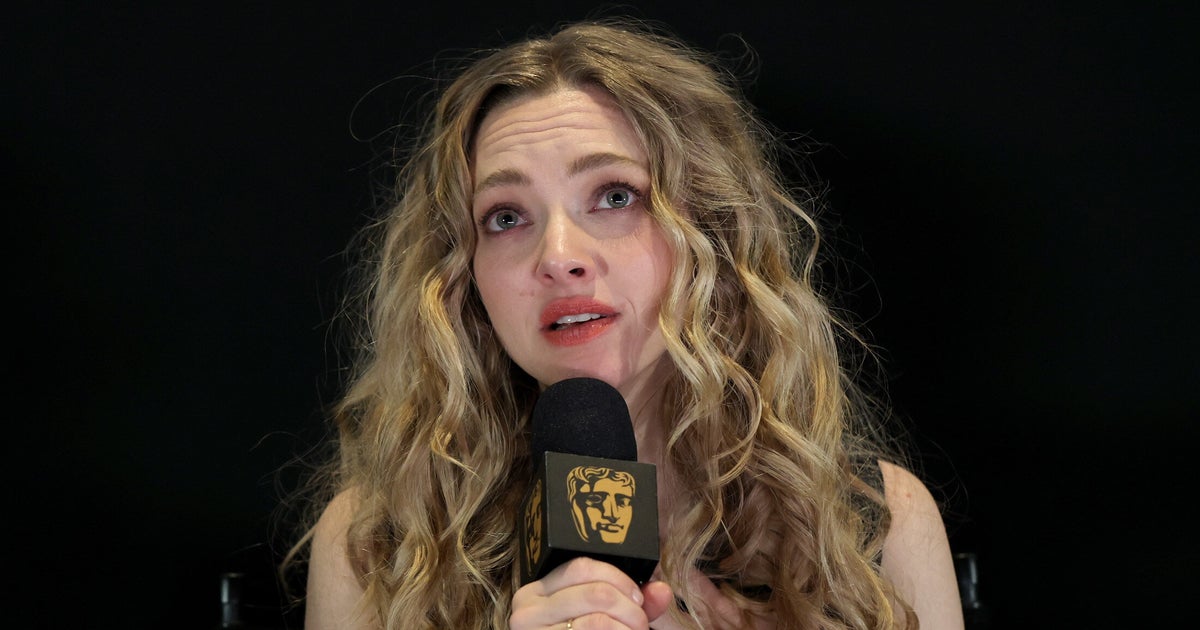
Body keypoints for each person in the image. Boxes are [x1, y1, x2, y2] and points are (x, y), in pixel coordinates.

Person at [287, 17, 964, 630]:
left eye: (614, 196)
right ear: (462, 276)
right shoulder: (378, 544)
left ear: (713, 231)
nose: (558, 257)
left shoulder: (873, 524)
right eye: (506, 216)